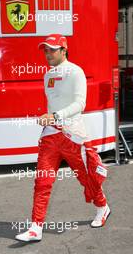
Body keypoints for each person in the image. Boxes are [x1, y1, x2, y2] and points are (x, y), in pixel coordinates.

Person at [15, 34, 111, 242]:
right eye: (45, 50)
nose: (48, 53)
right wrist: (49, 119)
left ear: (63, 50)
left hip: (73, 135)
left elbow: (80, 104)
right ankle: (35, 227)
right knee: (42, 181)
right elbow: (53, 104)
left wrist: (56, 116)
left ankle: (102, 207)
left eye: (52, 49)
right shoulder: (47, 74)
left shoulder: (76, 72)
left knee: (87, 178)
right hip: (51, 135)